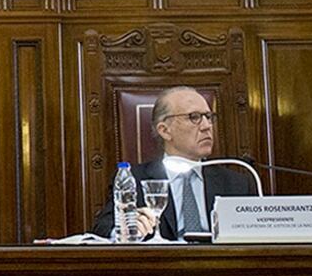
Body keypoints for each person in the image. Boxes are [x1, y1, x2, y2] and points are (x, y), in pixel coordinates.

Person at [92, 86, 256, 241]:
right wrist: (127, 228)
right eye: (194, 117)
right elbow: (103, 228)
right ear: (164, 130)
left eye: (209, 117)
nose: (207, 126)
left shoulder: (236, 184)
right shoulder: (134, 180)